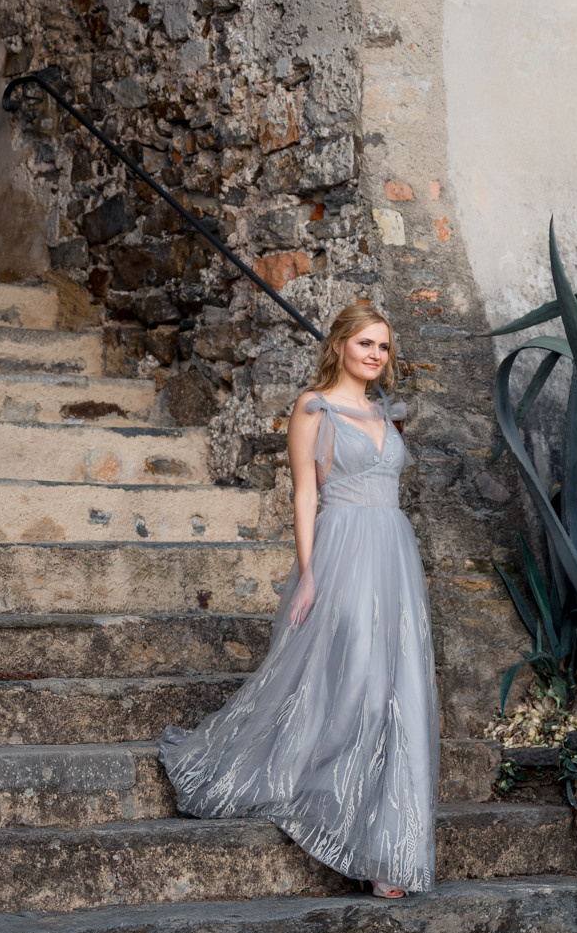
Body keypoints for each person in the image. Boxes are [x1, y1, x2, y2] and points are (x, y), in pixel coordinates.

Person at [159, 302, 439, 897]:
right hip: (344, 551)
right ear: (339, 344)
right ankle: (330, 804)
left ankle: (390, 850)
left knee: (399, 688)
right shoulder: (314, 407)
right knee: (357, 681)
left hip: (393, 552)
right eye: (365, 343)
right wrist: (309, 574)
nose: (375, 355)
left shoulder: (386, 412)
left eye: (384, 347)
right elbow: (305, 496)